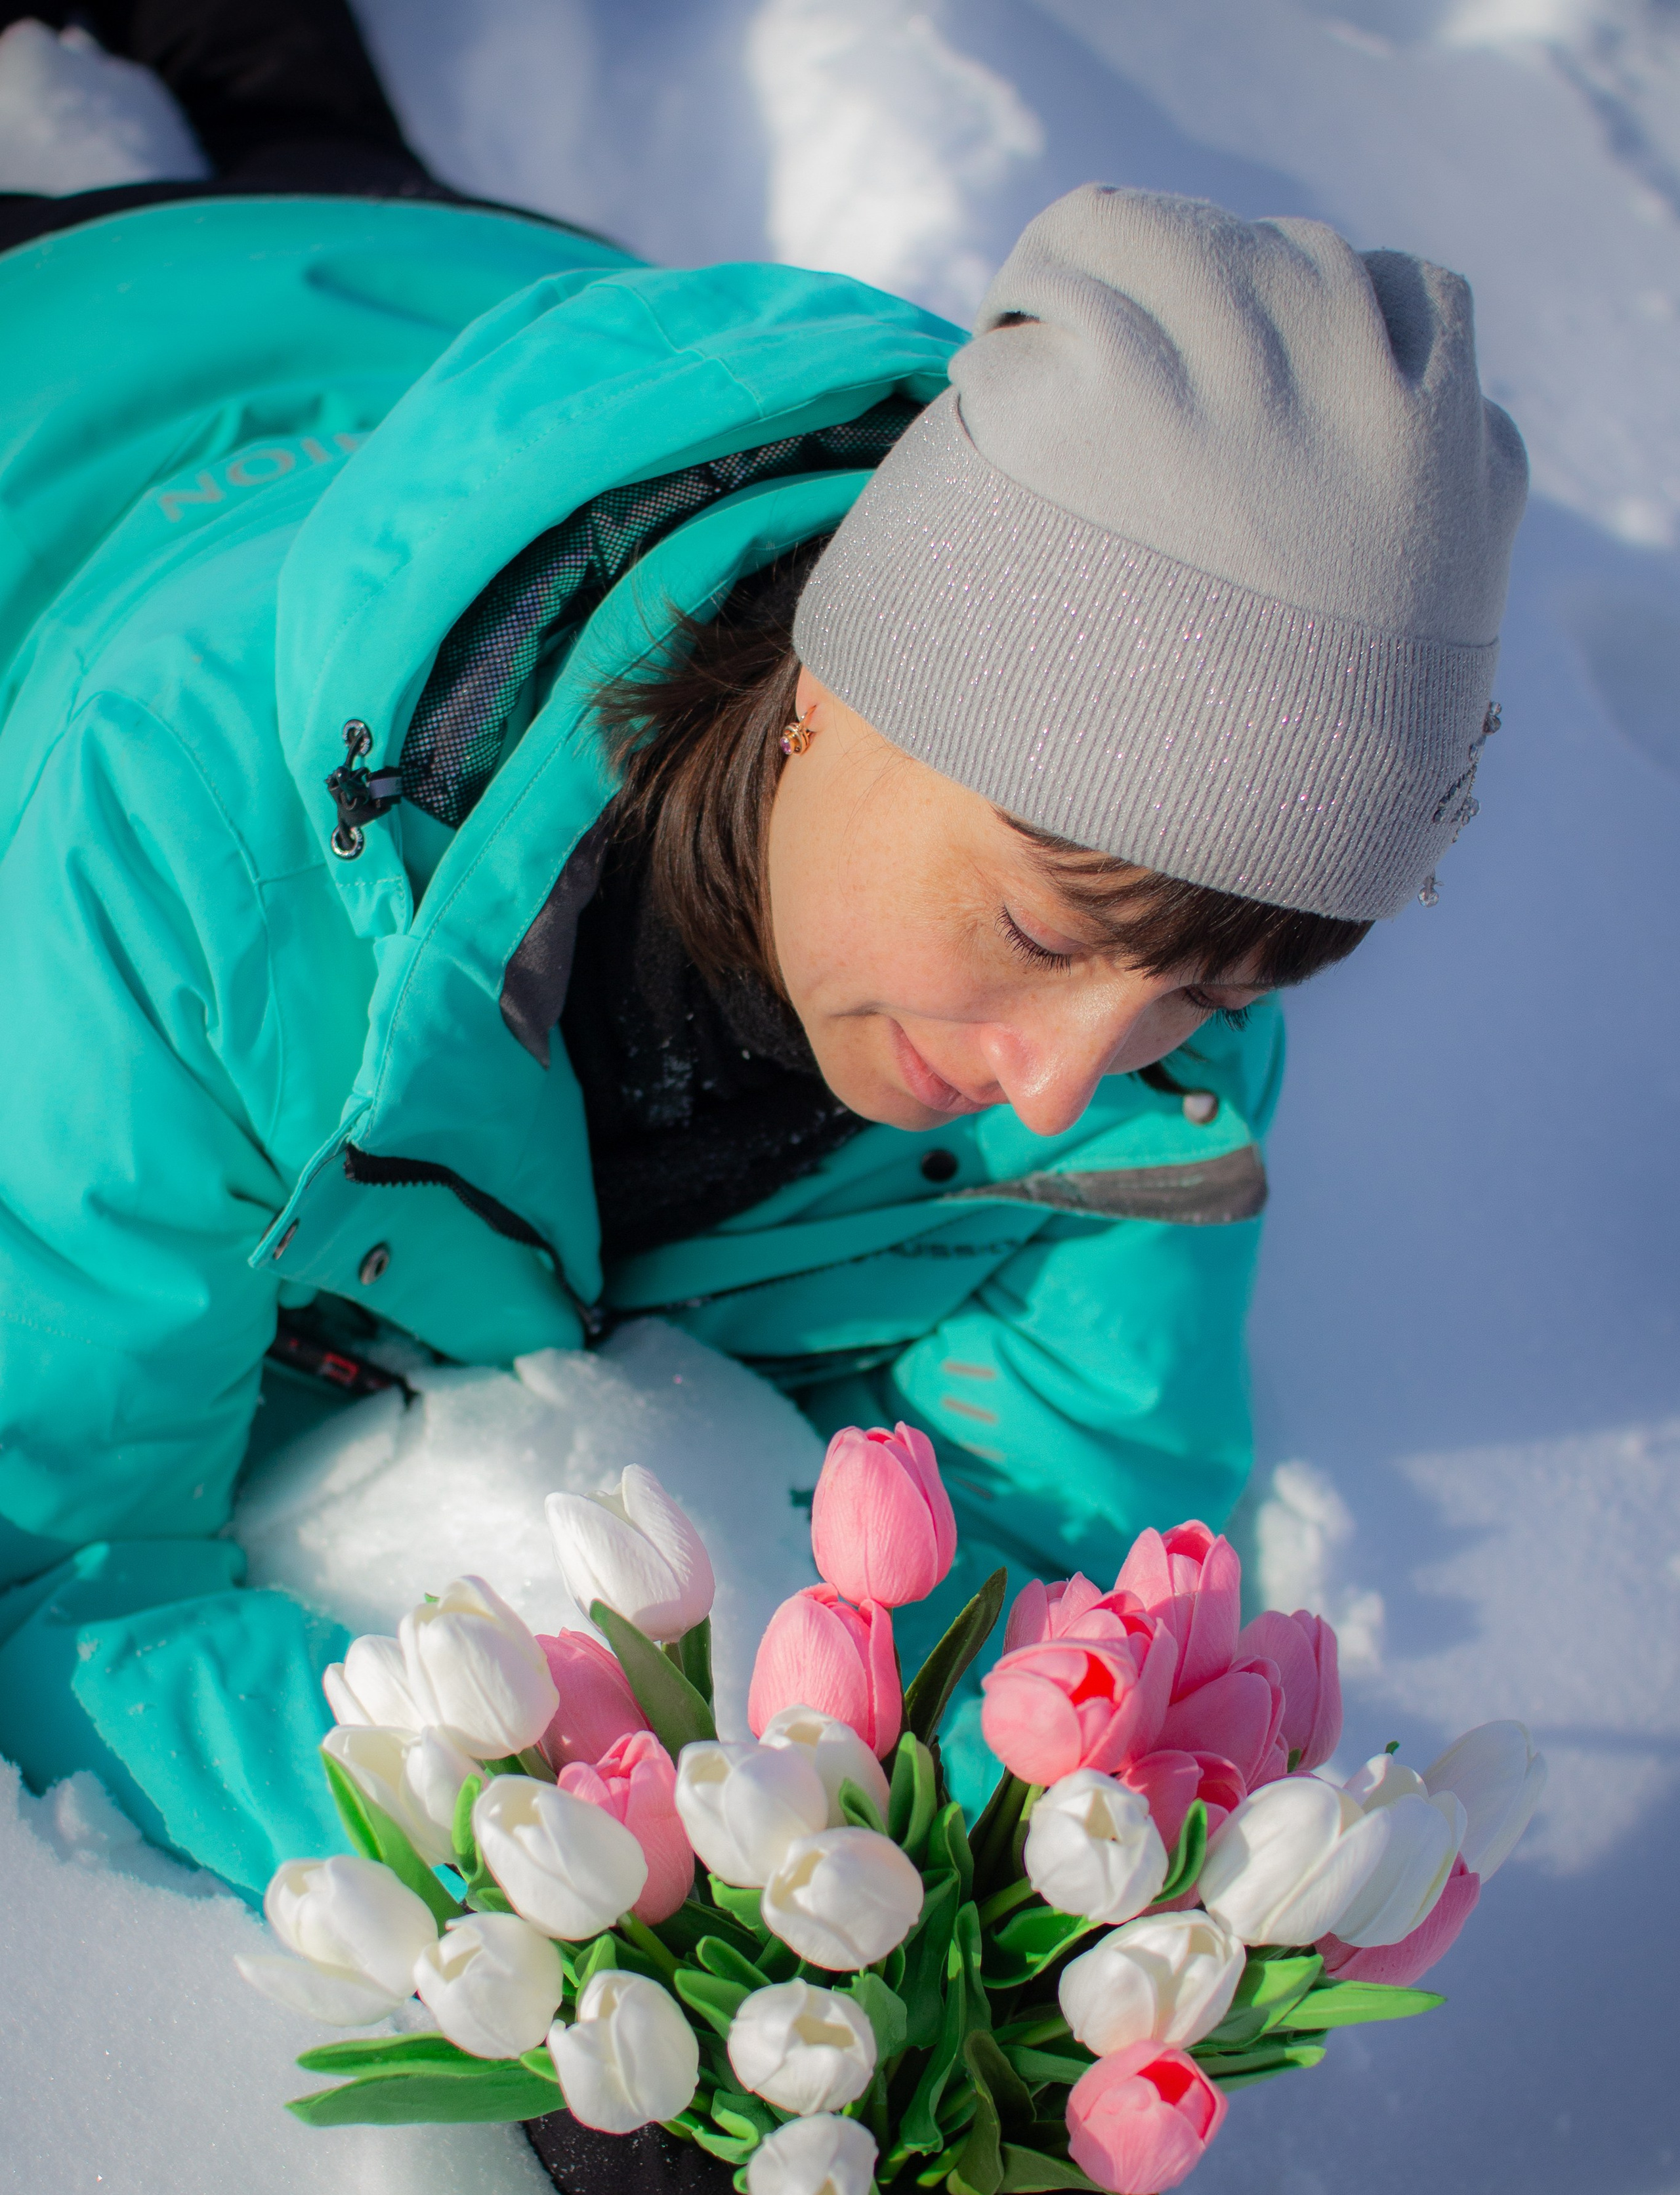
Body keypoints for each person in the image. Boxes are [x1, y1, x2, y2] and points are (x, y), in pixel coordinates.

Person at [0, 4, 1527, 1898]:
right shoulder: (194, 847)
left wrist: (952, 1969)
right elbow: (50, 1562)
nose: (1070, 1082)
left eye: (1211, 988)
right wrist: (573, 1911)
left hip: (462, 306)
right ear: (836, 690)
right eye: (1045, 930)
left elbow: (1050, 1551)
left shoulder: (1157, 987)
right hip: (66, 394)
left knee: (316, 153)